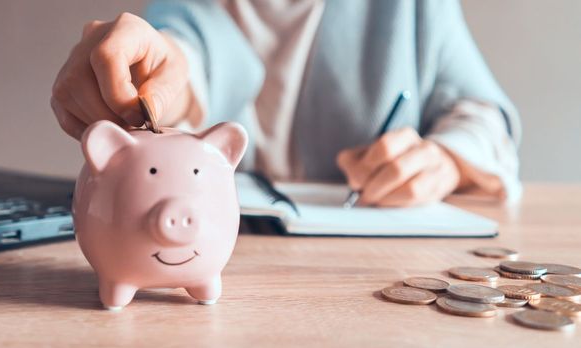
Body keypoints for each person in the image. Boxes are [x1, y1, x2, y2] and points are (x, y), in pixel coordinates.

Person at [50, 0, 520, 207]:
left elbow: (483, 114)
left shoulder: (410, 8)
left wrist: (446, 160)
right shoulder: (190, 8)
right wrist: (156, 79)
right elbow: (182, 56)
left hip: (369, 265)